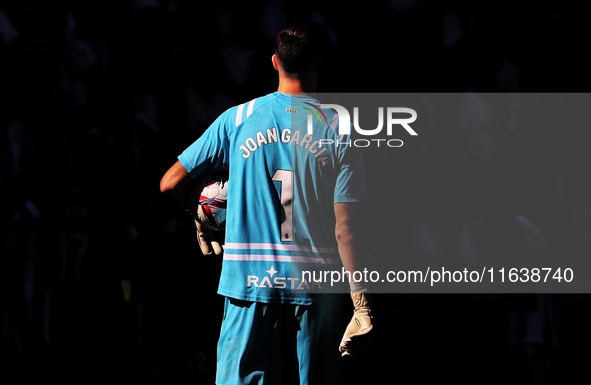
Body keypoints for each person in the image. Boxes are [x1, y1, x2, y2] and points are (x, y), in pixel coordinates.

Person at [160, 22, 373, 385]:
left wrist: (200, 216)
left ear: (275, 62)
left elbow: (169, 183)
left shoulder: (238, 118)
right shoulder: (339, 128)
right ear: (320, 64)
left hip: (248, 278)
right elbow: (346, 228)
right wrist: (362, 303)